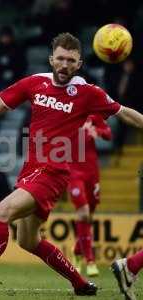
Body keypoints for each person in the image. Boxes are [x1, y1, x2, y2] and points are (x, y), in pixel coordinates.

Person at [0, 32, 143, 296]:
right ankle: (80, 284)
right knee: (29, 240)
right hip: (31, 170)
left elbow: (124, 113)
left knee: (1, 213)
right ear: (52, 59)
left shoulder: (88, 93)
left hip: (53, 173)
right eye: (60, 59)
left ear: (79, 64)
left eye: (71, 60)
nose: (65, 65)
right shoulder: (34, 83)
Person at [68, 115, 112, 277]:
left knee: (89, 216)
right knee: (84, 213)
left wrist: (97, 131)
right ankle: (90, 261)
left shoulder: (92, 115)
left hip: (92, 171)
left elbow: (108, 134)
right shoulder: (66, 112)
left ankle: (77, 251)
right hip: (73, 172)